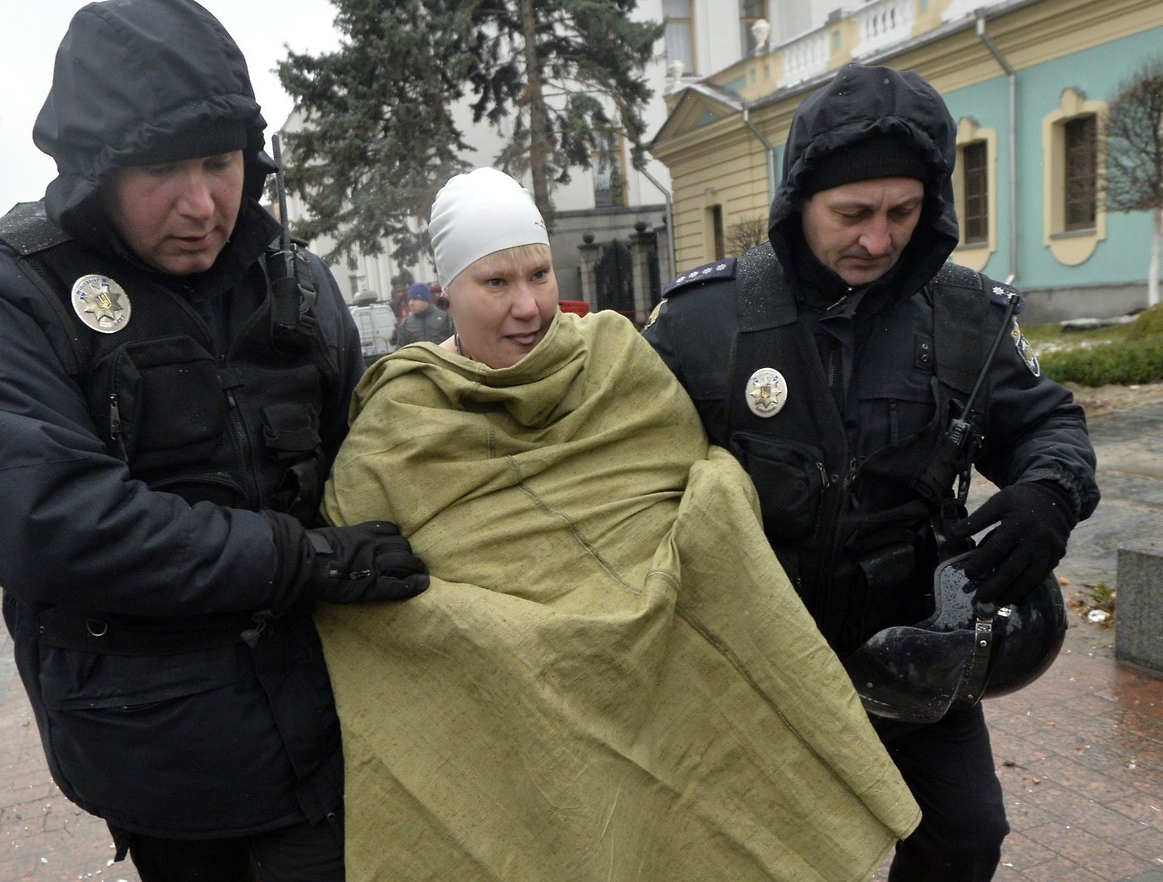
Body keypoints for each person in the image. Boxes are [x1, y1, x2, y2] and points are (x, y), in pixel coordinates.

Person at [0, 1, 428, 880]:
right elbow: (46, 521)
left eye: (220, 163)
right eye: (161, 169)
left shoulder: (292, 280)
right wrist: (300, 559)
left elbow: (368, 455)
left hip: (332, 726)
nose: (201, 203)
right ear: (94, 170)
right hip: (158, 752)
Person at [313, 167, 921, 880]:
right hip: (530, 732)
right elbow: (361, 594)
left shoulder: (613, 357)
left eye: (538, 274)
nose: (528, 306)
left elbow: (683, 472)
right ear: (446, 289)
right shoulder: (399, 419)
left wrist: (713, 500)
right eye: (495, 283)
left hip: (667, 695)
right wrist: (512, 638)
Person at [644, 63, 1099, 882]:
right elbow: (621, 471)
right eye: (852, 214)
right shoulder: (702, 324)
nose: (879, 240)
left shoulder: (968, 318)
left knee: (966, 834)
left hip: (909, 651)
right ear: (799, 202)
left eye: (904, 212)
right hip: (753, 661)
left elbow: (1049, 424)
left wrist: (1049, 493)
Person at [391, 280, 453, 346]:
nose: (410, 303)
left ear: (425, 299)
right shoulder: (406, 324)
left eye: (415, 299)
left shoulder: (445, 317)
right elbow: (401, 350)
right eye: (409, 299)